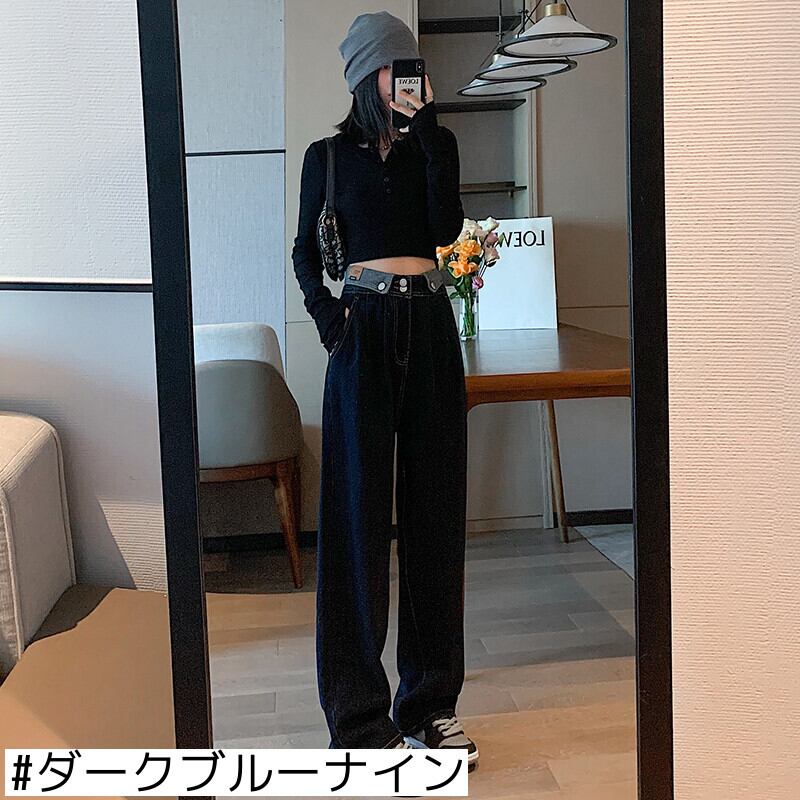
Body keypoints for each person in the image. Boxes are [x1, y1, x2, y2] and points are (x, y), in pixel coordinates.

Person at [291, 11, 478, 767]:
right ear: (364, 75)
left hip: (429, 327)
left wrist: (427, 131)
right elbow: (304, 254)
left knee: (435, 516)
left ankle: (429, 704)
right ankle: (358, 716)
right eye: (393, 68)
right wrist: (331, 323)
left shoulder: (438, 144)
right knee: (356, 522)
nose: (407, 79)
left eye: (413, 66)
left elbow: (446, 228)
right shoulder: (328, 157)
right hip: (362, 331)